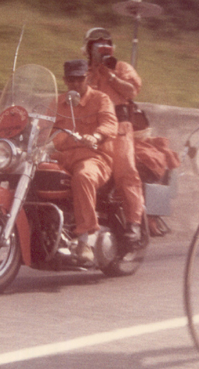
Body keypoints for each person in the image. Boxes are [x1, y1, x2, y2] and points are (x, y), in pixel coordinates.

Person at [52, 59, 118, 264]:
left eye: (79, 79)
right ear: (64, 80)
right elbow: (46, 131)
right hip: (63, 158)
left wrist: (96, 137)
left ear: (87, 78)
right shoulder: (56, 103)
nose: (75, 84)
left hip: (94, 157)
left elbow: (109, 124)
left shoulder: (100, 99)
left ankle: (85, 240)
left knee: (83, 176)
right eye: (71, 80)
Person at [83, 27, 145, 244]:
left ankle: (133, 222)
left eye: (105, 44)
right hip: (91, 128)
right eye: (96, 44)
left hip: (119, 127)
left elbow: (132, 91)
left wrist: (109, 74)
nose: (101, 47)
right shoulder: (85, 72)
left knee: (125, 170)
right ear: (89, 49)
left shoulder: (121, 67)